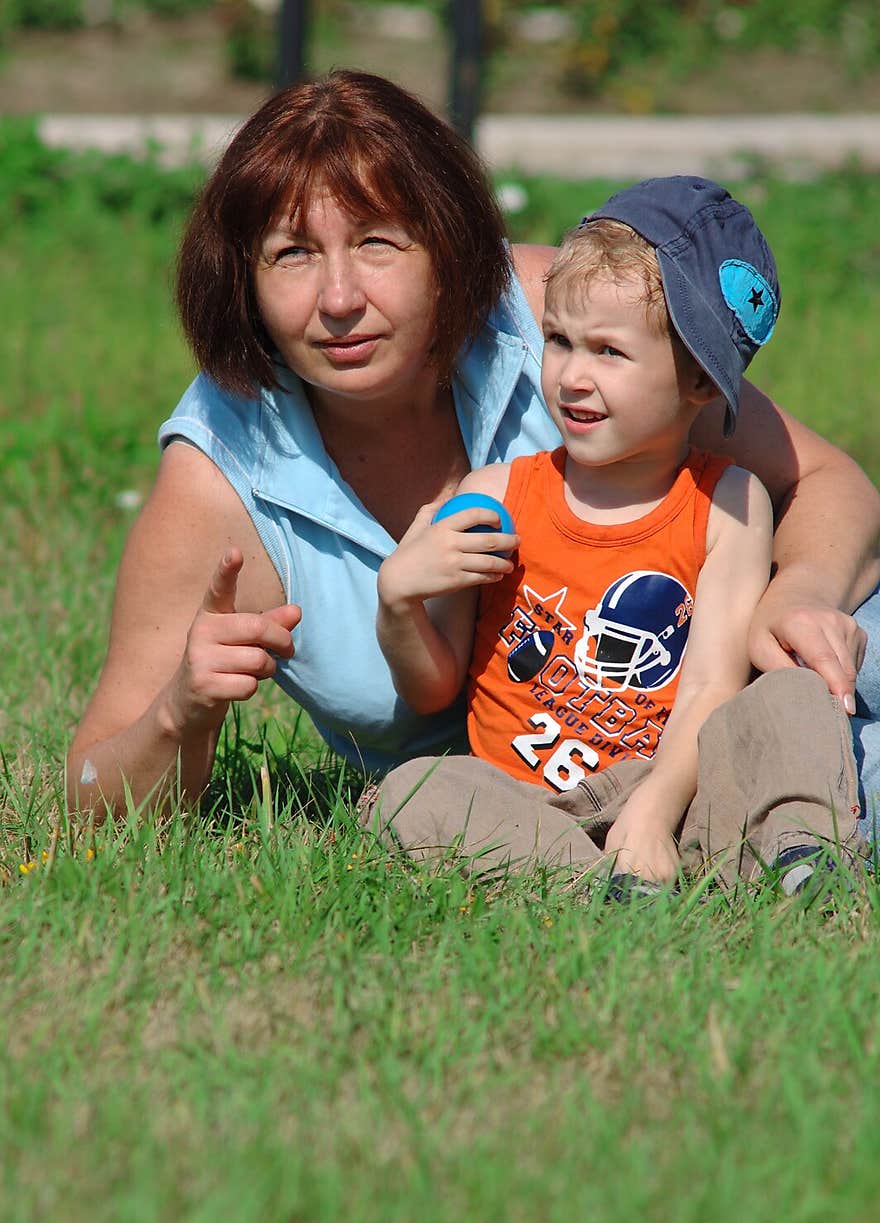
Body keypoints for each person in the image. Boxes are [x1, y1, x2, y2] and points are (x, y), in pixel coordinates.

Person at [65, 70, 880, 829]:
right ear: (242, 279)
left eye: (379, 243)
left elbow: (827, 480)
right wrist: (182, 710)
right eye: (292, 253)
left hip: (746, 692)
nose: (340, 299)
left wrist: (798, 591)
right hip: (513, 802)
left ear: (447, 247)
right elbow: (87, 791)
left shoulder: (551, 318)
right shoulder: (219, 473)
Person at [366, 177, 866, 892]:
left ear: (698, 380)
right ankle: (599, 885)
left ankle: (800, 853)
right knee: (413, 790)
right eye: (560, 341)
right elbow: (431, 689)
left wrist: (655, 810)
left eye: (608, 351)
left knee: (793, 693)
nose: (572, 375)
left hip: (680, 790)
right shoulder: (497, 494)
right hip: (527, 803)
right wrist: (399, 604)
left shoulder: (728, 503)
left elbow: (710, 687)